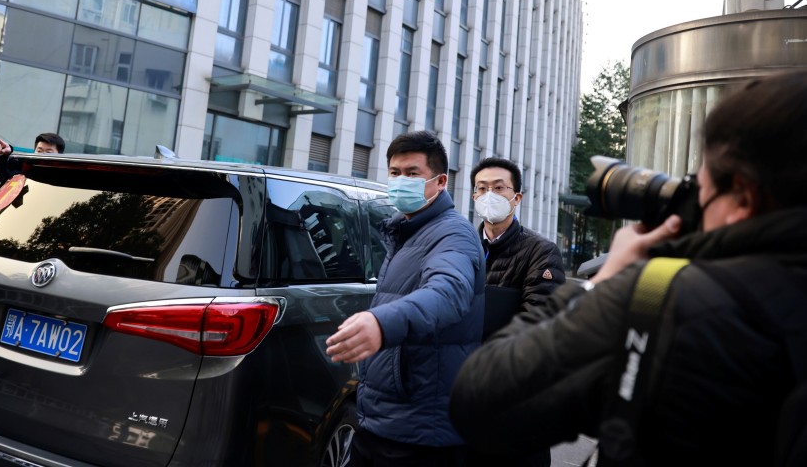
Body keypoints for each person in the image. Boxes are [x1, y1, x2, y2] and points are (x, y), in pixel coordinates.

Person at [449, 70, 807, 466]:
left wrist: (601, 283)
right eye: (480, 188)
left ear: (742, 195)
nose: (692, 198)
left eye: (700, 186)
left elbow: (481, 400)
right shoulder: (461, 245)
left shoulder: (657, 298)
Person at [325, 130, 484, 466]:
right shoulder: (406, 230)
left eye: (413, 174)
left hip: (421, 432)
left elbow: (447, 292)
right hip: (383, 421)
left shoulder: (453, 232)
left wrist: (381, 324)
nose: (401, 181)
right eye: (395, 173)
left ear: (440, 182)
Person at [465, 157, 566, 466]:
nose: (489, 195)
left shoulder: (540, 251)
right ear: (473, 197)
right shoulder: (462, 246)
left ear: (517, 198)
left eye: (499, 188)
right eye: (482, 188)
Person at [0, 132, 65, 185]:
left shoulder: (66, 174)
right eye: (39, 151)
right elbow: (6, 179)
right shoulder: (26, 167)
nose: (43, 155)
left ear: (59, 154)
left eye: (49, 152)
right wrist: (4, 155)